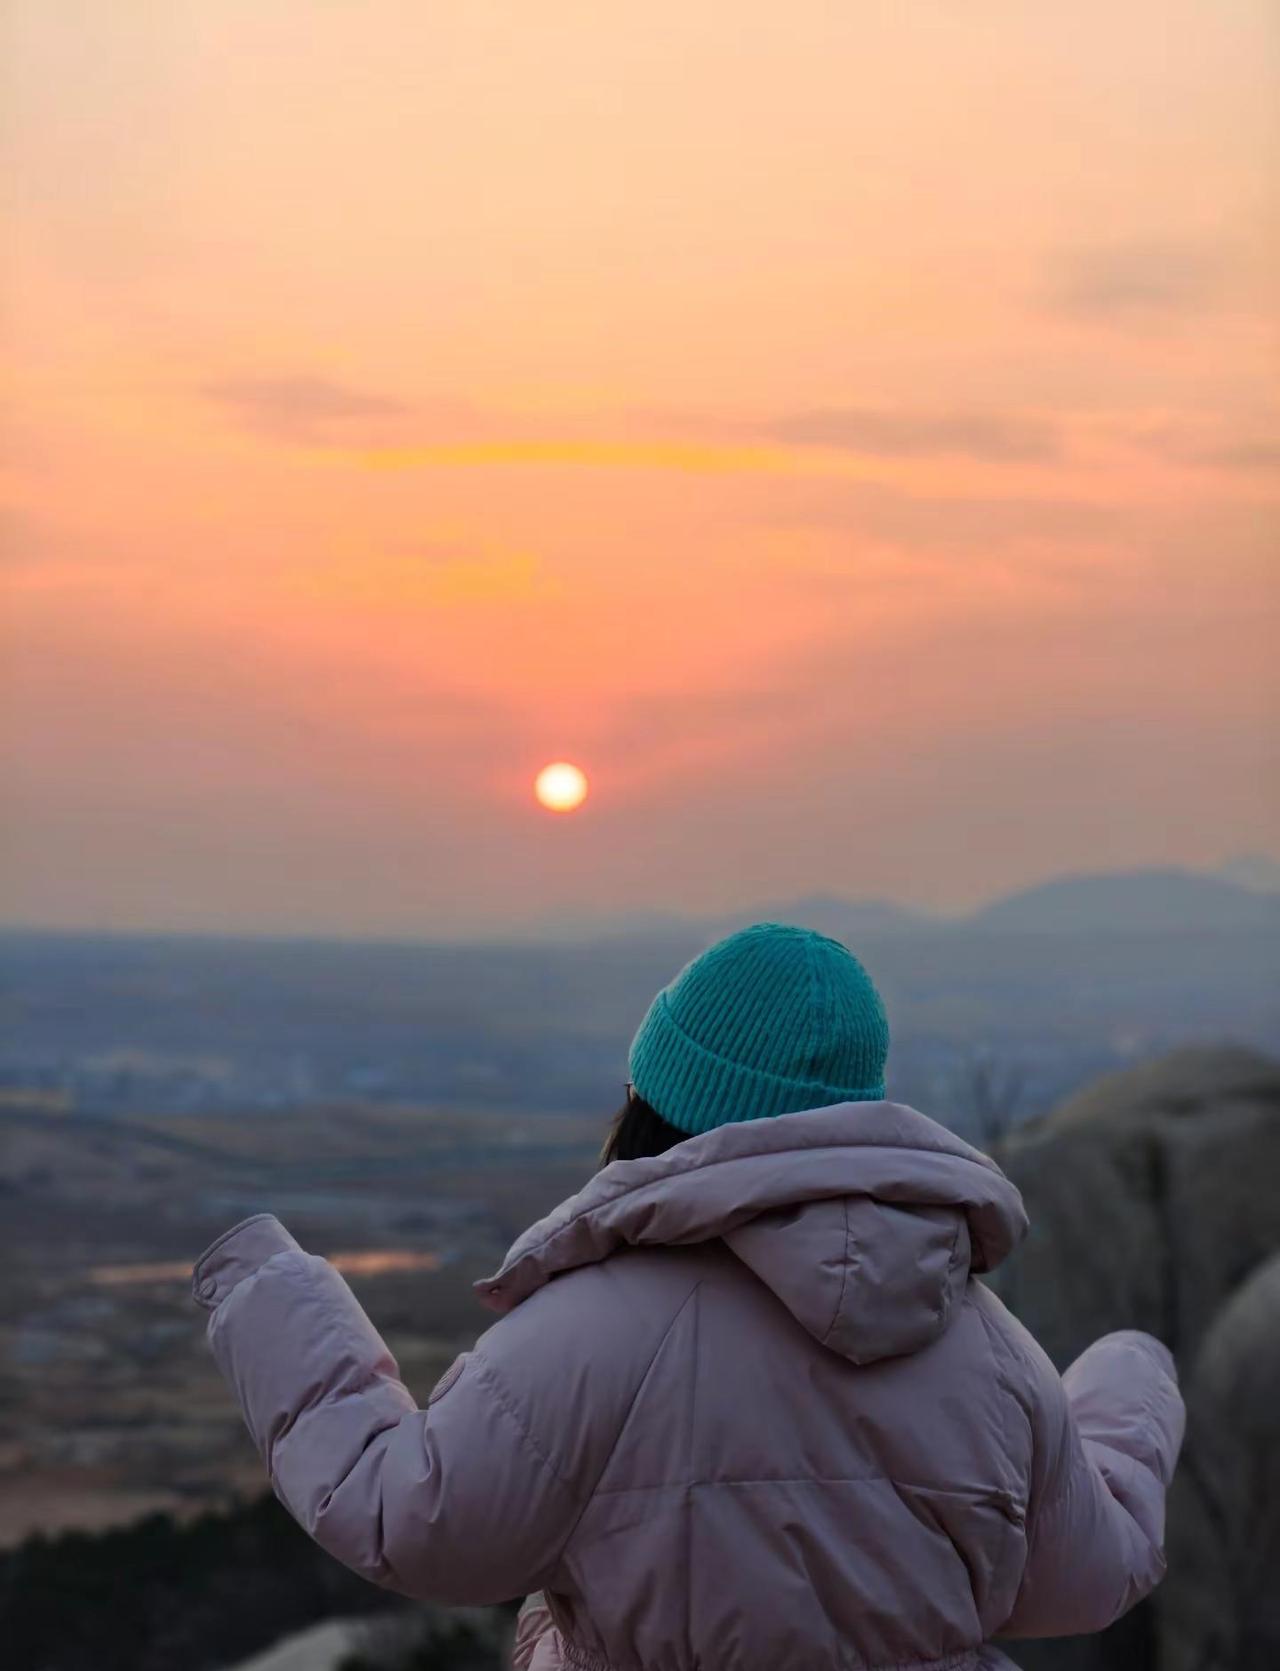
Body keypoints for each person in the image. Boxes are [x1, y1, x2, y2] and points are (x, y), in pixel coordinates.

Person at [193, 923, 1185, 1671]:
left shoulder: (589, 1334)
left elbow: (409, 1523)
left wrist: (268, 1294)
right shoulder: (989, 1350)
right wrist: (1128, 1385)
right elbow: (1082, 1579)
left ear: (658, 1103)